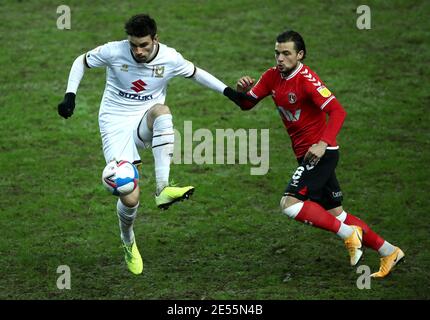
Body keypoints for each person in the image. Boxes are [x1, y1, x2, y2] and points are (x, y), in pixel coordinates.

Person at [222, 30, 404, 278]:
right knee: (336, 213)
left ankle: (349, 234)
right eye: (277, 53)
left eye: (286, 53)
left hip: (321, 154)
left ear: (300, 55)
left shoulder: (307, 80)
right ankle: (389, 251)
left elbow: (338, 112)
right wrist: (243, 89)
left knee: (290, 203)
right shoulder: (271, 77)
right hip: (305, 155)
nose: (280, 58)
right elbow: (246, 104)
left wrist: (322, 143)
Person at [58, 14, 230, 275]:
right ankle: (128, 241)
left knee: (162, 111)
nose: (138, 51)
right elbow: (80, 61)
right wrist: (70, 95)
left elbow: (197, 74)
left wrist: (230, 92)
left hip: (144, 118)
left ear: (155, 40)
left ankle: (163, 188)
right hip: (115, 124)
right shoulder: (114, 51)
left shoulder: (169, 58)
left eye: (144, 46)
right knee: (130, 195)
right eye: (134, 45)